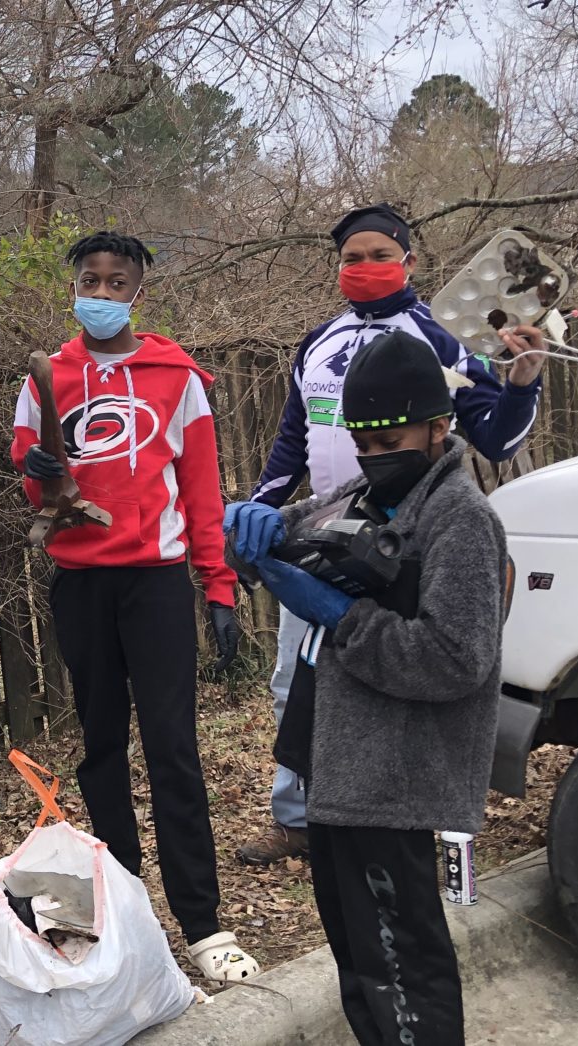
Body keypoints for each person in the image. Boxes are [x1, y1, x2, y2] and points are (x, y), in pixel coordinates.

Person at [238, 202, 544, 867]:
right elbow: (293, 442)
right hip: (322, 536)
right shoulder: (317, 343)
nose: (367, 267)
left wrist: (522, 383)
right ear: (338, 267)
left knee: (393, 679)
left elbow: (493, 435)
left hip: (405, 541)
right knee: (297, 680)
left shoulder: (442, 339)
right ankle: (298, 817)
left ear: (409, 261)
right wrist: (256, 515)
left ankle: (403, 823)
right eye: (353, 257)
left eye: (382, 255)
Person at [224, 329, 508, 1045]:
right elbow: (291, 531)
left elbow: (455, 658)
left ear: (439, 428)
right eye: (363, 441)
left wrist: (342, 616)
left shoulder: (460, 521)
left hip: (398, 778)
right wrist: (252, 527)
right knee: (359, 953)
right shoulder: (361, 490)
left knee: (402, 963)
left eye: (390, 440)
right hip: (341, 769)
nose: (375, 457)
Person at [11, 231, 257, 983]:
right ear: (74, 287)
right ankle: (125, 905)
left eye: (118, 282)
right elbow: (34, 490)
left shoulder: (176, 378)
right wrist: (39, 473)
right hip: (82, 585)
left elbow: (203, 491)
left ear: (138, 293)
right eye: (91, 279)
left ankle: (202, 922)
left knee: (173, 748)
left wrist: (218, 587)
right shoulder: (45, 379)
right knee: (101, 750)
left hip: (154, 580)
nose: (104, 292)